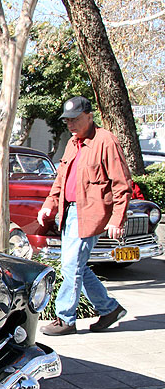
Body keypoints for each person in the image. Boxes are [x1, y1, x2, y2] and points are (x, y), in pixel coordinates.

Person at [36, 96, 132, 336]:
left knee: (70, 266)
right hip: (68, 212)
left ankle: (65, 319)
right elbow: (61, 179)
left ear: (89, 116)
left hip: (89, 214)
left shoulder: (106, 142)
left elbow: (122, 184)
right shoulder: (72, 143)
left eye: (75, 119)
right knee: (77, 267)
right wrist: (49, 205)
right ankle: (109, 309)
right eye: (67, 120)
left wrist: (117, 219)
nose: (70, 125)